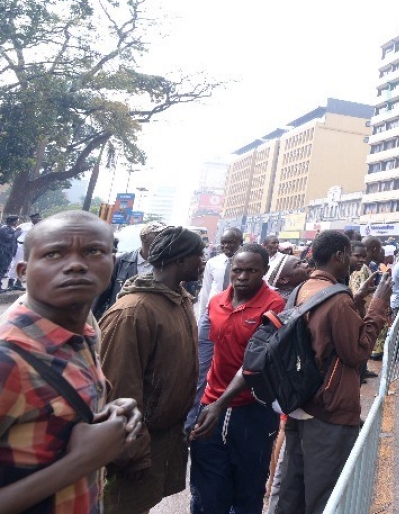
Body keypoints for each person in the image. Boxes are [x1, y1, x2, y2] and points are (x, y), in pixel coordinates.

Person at [0, 210, 143, 514]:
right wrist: (80, 461)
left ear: (112, 263)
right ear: (23, 271)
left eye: (93, 251)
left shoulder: (85, 333)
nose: (76, 264)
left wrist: (106, 414)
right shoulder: (7, 359)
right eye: (54, 254)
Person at [277, 230, 391, 514]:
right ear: (339, 255)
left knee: (293, 490)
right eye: (349, 254)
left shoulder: (303, 289)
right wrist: (378, 306)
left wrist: (357, 298)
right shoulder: (337, 299)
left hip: (301, 399)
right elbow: (357, 352)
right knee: (325, 494)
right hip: (328, 408)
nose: (353, 260)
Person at [98, 226, 204, 514]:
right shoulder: (133, 312)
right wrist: (131, 452)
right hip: (135, 443)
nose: (203, 261)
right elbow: (120, 388)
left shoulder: (179, 300)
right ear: (180, 260)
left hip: (162, 438)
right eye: (199, 254)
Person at [189, 244, 285, 514]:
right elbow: (206, 353)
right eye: (238, 270)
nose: (242, 277)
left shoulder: (274, 305)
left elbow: (255, 364)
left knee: (248, 490)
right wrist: (199, 402)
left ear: (265, 271)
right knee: (207, 490)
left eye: (251, 271)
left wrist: (220, 403)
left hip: (252, 411)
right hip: (211, 405)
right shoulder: (215, 302)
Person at [93, 221, 168, 318]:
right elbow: (103, 293)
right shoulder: (122, 260)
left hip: (148, 320)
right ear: (144, 238)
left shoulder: (165, 265)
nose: (163, 238)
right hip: (119, 317)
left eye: (165, 235)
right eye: (157, 234)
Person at [195, 227, 242, 320]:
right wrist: (201, 316)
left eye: (230, 242)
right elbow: (206, 289)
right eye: (223, 243)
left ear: (240, 242)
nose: (226, 246)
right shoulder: (212, 262)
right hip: (212, 309)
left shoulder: (247, 263)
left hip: (235, 311)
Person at [6, 212, 41, 291]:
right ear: (32, 218)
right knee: (16, 263)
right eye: (36, 218)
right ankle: (10, 282)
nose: (38, 220)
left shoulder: (40, 227)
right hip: (21, 246)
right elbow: (14, 233)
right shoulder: (24, 225)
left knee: (26, 264)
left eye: (39, 218)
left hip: (32, 247)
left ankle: (18, 282)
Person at [0, 214, 19, 282]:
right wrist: (17, 232)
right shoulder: (4, 228)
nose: (17, 222)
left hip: (9, 252)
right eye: (16, 221)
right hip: (3, 252)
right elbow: (9, 238)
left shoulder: (11, 228)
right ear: (12, 221)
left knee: (4, 269)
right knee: (2, 268)